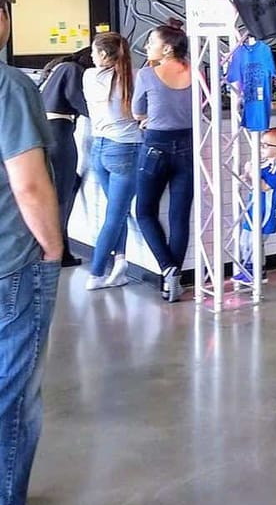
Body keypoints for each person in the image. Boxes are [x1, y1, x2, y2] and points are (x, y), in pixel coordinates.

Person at [0, 0, 74, 505]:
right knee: (14, 398)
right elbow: (28, 184)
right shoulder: (9, 85)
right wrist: (52, 247)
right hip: (10, 263)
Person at [133, 19, 195, 303]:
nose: (147, 47)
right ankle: (174, 279)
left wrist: (148, 119)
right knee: (179, 216)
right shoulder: (198, 73)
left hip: (156, 145)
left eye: (152, 42)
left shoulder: (147, 74)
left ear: (167, 48)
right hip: (189, 145)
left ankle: (167, 268)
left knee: (144, 211)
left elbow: (137, 112)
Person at [81, 32, 143, 291]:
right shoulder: (136, 77)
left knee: (117, 213)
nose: (91, 56)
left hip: (99, 149)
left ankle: (118, 264)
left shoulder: (88, 76)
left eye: (94, 52)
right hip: (126, 149)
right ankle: (97, 273)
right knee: (116, 215)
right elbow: (143, 112)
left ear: (105, 55)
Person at [38, 47, 93, 266]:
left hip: (48, 132)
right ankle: (60, 252)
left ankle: (58, 249)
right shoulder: (73, 71)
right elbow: (77, 100)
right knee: (62, 195)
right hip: (60, 134)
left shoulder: (59, 67)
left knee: (65, 188)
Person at [233, 126, 276, 288]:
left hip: (266, 211)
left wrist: (251, 173)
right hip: (253, 208)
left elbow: (264, 186)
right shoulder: (263, 163)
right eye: (260, 144)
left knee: (256, 242)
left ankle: (258, 271)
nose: (261, 148)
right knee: (245, 240)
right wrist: (245, 174)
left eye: (265, 145)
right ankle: (248, 267)